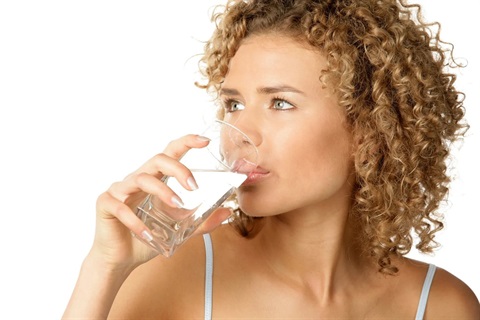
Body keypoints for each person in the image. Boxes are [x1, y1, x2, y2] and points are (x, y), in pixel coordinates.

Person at [63, 0, 480, 318]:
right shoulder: (179, 274)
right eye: (233, 104)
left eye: (279, 103)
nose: (240, 133)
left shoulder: (440, 305)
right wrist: (104, 267)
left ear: (369, 131)